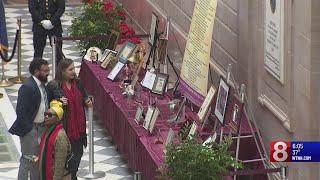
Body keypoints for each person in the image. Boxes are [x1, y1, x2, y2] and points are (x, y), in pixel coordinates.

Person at [48, 58, 92, 180]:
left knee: (77, 155)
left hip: (79, 129)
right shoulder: (54, 86)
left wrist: (87, 100)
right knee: (65, 160)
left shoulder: (78, 83)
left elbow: (84, 96)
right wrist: (58, 102)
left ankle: (73, 175)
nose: (73, 71)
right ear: (62, 71)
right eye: (70, 69)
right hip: (64, 130)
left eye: (74, 68)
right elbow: (48, 106)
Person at [9, 59, 50, 180]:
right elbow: (21, 112)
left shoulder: (42, 85)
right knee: (27, 159)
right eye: (45, 70)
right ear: (37, 71)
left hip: (41, 127)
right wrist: (30, 130)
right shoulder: (27, 87)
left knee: (37, 160)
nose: (48, 73)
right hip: (31, 129)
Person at [39, 100, 71, 180]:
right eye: (45, 114)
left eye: (50, 115)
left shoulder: (60, 136)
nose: (46, 117)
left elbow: (60, 164)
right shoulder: (48, 130)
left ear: (58, 118)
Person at [28, 0, 65, 64]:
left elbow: (61, 8)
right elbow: (32, 8)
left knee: (58, 53)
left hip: (55, 26)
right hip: (39, 26)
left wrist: (52, 21)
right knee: (38, 53)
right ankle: (36, 72)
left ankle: (59, 73)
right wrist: (41, 21)